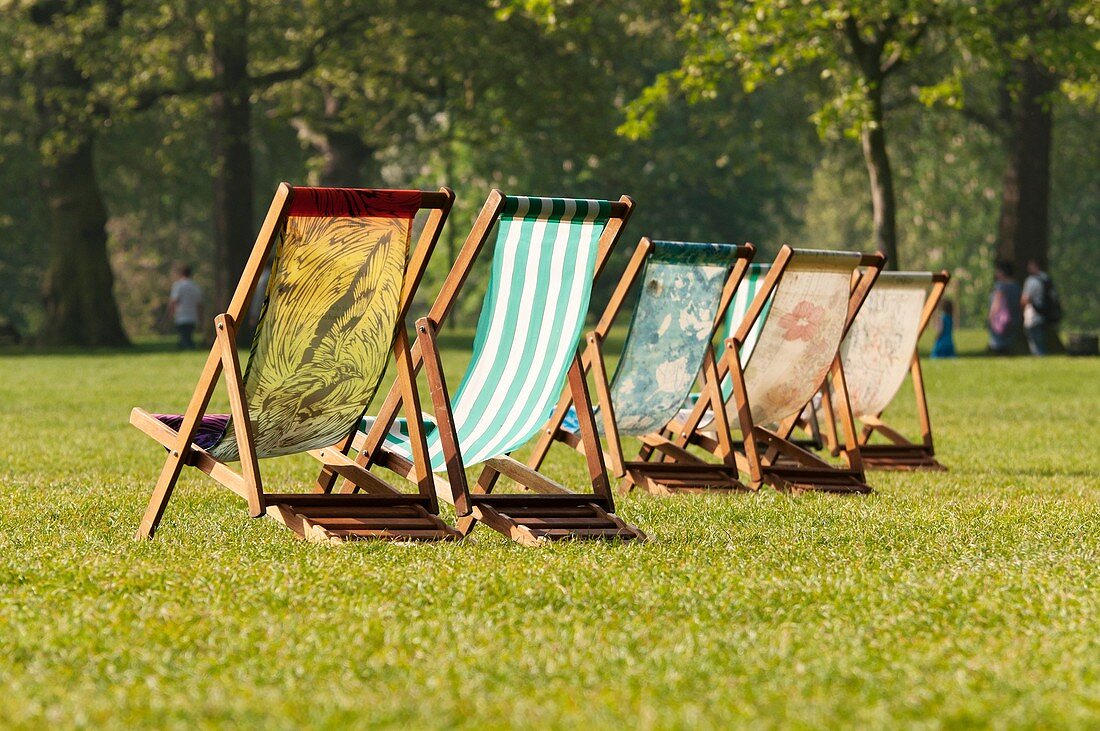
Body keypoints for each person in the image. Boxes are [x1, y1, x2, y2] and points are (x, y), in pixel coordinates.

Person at [1020, 259, 1061, 356]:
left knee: (1035, 342)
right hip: (1045, 314)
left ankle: (1040, 357)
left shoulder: (1031, 281)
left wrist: (1021, 309)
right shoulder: (1046, 279)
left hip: (1033, 315)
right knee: (1041, 339)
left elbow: (1025, 298)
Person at [987, 260, 1022, 355]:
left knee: (998, 345)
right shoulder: (1016, 286)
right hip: (1014, 318)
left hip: (1000, 320)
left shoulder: (1000, 286)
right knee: (1008, 344)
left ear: (1002, 273)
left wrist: (991, 316)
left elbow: (997, 303)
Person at [169, 264, 203, 350]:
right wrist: (200, 317)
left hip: (181, 315)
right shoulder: (195, 286)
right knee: (188, 335)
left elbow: (174, 301)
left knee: (184, 336)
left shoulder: (178, 285)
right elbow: (199, 303)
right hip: (192, 315)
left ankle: (187, 347)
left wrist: (170, 313)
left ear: (181, 273)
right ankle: (187, 347)